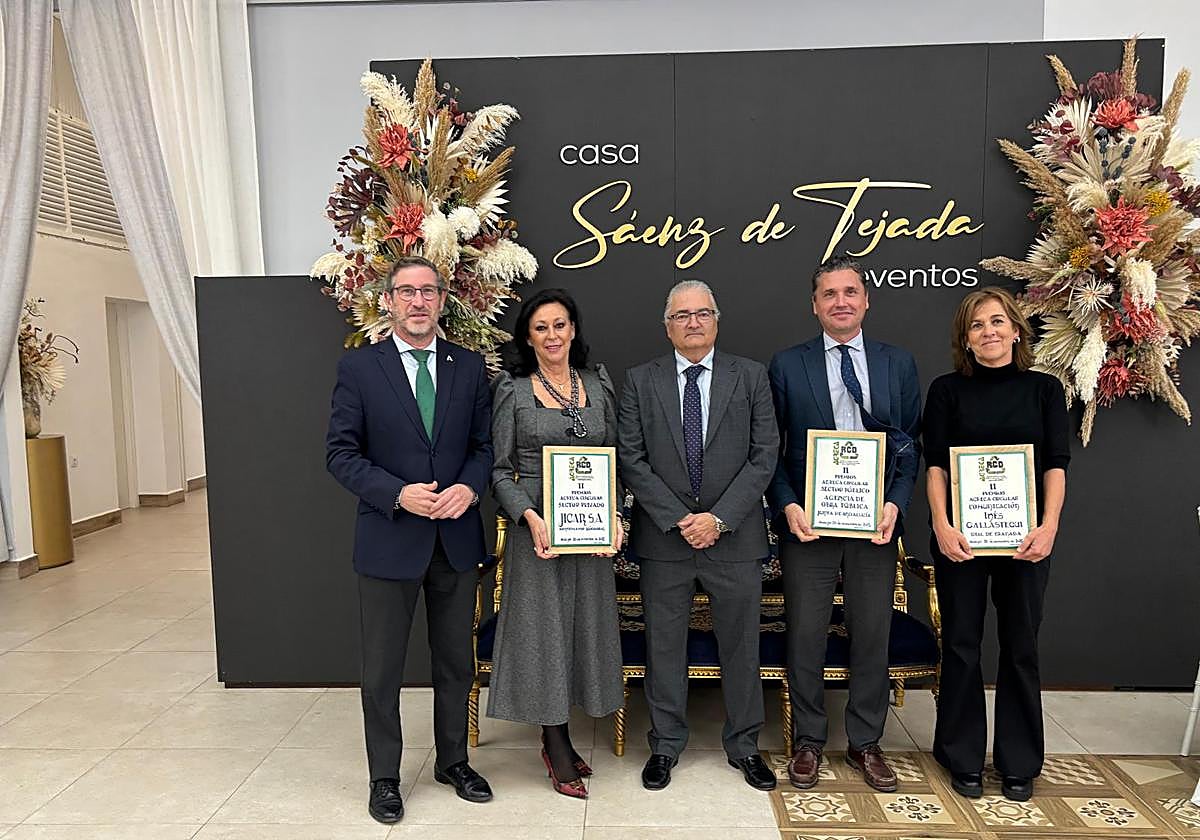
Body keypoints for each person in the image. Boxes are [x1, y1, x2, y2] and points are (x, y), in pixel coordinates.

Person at [326, 255, 494, 824]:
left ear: (443, 300)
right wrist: (397, 494)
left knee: (455, 663)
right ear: (390, 301)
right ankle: (385, 778)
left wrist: (470, 490)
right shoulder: (361, 369)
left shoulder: (469, 367)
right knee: (383, 670)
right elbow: (340, 454)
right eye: (407, 292)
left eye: (428, 291)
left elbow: (483, 447)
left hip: (456, 540)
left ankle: (453, 761)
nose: (418, 301)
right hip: (389, 538)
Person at [767, 253, 921, 794]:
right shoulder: (787, 365)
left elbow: (910, 448)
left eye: (850, 292)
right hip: (809, 523)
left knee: (871, 633)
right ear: (814, 305)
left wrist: (896, 504)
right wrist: (788, 506)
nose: (840, 302)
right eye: (829, 294)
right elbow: (773, 451)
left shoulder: (896, 363)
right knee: (806, 633)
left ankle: (865, 742)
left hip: (874, 523)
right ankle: (809, 740)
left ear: (866, 299)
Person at [617, 279, 779, 793]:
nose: (692, 322)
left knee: (741, 646)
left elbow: (764, 455)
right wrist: (678, 518)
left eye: (702, 313)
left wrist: (719, 519)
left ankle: (746, 745)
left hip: (734, 538)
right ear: (667, 325)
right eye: (681, 315)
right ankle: (665, 745)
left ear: (716, 320)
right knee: (664, 646)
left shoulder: (750, 377)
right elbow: (631, 458)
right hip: (666, 539)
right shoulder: (640, 381)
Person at [923, 286, 1069, 803]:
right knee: (961, 645)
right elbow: (936, 465)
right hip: (961, 538)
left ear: (1015, 329)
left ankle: (1019, 761)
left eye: (997, 322)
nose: (989, 332)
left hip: (1026, 540)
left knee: (1021, 646)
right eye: (977, 325)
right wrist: (940, 524)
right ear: (966, 338)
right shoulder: (945, 390)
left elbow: (1056, 464)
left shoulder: (1045, 390)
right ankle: (961, 757)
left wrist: (1048, 526)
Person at [487, 289, 625, 799]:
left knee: (581, 631)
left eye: (560, 325)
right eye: (541, 327)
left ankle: (563, 731)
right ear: (528, 336)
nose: (552, 335)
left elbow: (616, 459)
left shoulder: (598, 384)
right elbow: (499, 472)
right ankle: (555, 741)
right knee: (543, 636)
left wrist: (614, 516)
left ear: (573, 330)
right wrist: (528, 514)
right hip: (538, 535)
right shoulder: (513, 390)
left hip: (589, 536)